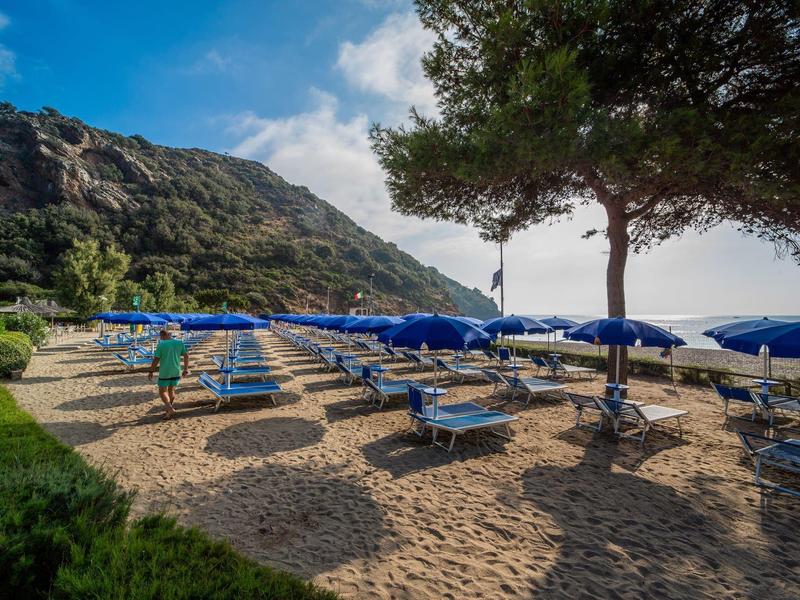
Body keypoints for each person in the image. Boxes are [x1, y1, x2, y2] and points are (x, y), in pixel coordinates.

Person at [148, 329, 189, 420]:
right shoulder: (179, 342)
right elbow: (186, 355)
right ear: (169, 335)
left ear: (162, 336)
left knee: (162, 391)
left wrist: (151, 371)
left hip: (165, 372)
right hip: (176, 371)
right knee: (171, 390)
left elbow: (156, 359)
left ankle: (169, 408)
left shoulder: (161, 344)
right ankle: (168, 412)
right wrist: (185, 369)